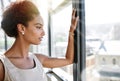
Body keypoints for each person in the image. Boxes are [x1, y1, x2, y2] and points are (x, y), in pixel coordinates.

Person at [0, 0, 79, 81]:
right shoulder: (2, 66)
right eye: (38, 27)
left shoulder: (38, 59)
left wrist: (71, 32)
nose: (43, 33)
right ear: (21, 28)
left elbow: (69, 60)